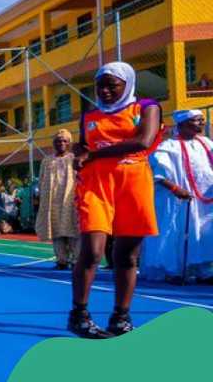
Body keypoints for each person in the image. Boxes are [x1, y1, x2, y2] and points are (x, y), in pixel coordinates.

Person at [69, 62, 162, 338]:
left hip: (133, 183)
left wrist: (93, 154)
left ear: (127, 84)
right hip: (96, 184)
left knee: (127, 256)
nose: (105, 91)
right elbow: (84, 146)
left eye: (113, 86)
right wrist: (78, 152)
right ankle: (79, 315)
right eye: (100, 86)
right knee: (92, 251)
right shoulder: (90, 114)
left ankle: (120, 317)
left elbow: (143, 141)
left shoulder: (146, 107)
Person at [143, 110, 213, 282]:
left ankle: (202, 271)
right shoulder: (168, 147)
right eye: (197, 120)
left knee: (203, 233)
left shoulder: (207, 143)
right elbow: (158, 175)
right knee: (176, 232)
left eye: (202, 120)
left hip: (204, 202)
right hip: (177, 200)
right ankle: (173, 270)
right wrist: (175, 189)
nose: (202, 123)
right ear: (182, 124)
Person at [37, 130, 79, 269]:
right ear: (54, 143)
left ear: (69, 143)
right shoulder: (47, 160)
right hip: (52, 201)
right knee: (56, 231)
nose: (61, 143)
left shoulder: (74, 158)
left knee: (73, 230)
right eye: (58, 141)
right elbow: (41, 180)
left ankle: (76, 260)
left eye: (64, 141)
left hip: (70, 200)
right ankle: (61, 260)